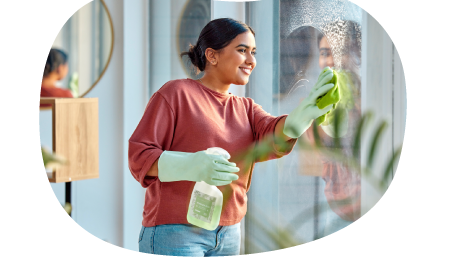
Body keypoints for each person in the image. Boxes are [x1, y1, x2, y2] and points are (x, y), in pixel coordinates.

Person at [128, 18, 336, 257]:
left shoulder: (246, 108)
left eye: (254, 52)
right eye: (242, 50)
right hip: (176, 233)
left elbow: (274, 133)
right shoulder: (176, 94)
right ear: (212, 55)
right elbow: (139, 156)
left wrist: (301, 117)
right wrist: (191, 166)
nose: (251, 61)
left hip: (228, 234)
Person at [303, 21, 362, 223]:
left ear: (357, 54)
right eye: (325, 53)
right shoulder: (316, 101)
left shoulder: (370, 97)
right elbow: (316, 153)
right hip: (335, 197)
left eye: (340, 52)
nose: (331, 61)